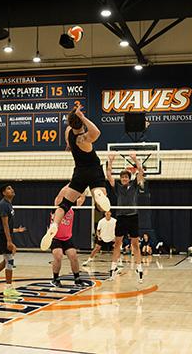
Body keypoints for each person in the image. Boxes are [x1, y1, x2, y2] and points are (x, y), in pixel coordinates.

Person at [42, 106, 111, 261]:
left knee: (65, 204)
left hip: (79, 172)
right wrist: (82, 116)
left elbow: (70, 134)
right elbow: (97, 132)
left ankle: (55, 224)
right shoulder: (84, 139)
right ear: (81, 123)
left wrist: (75, 116)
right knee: (101, 206)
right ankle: (98, 194)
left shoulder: (68, 133)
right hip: (94, 170)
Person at [106, 152, 147, 283]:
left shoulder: (134, 185)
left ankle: (139, 269)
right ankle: (113, 269)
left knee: (135, 244)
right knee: (117, 243)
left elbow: (140, 171)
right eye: (122, 177)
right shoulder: (117, 188)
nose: (124, 179)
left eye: (126, 177)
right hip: (121, 217)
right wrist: (110, 161)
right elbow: (108, 175)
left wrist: (134, 159)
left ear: (129, 178)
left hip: (133, 216)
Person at [48, 192, 88, 287]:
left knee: (73, 256)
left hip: (67, 238)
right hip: (55, 238)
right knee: (58, 257)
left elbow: (81, 199)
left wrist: (83, 186)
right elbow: (60, 194)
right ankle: (55, 279)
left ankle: (77, 279)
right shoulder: (57, 206)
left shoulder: (71, 208)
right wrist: (71, 183)